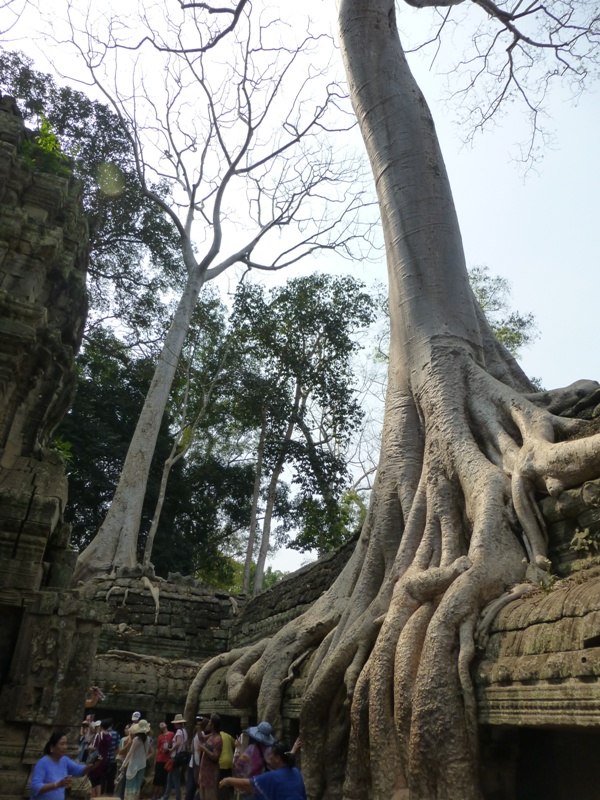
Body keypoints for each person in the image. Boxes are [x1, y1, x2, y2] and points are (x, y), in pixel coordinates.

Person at [220, 741, 306, 800]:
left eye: (272, 753)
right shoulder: (296, 772)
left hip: (256, 783)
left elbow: (247, 784)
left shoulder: (274, 776)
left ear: (277, 758)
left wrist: (228, 780)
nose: (270, 755)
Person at [29, 730, 99, 799]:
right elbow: (35, 787)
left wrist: (91, 766)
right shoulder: (42, 763)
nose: (65, 747)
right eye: (62, 744)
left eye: (66, 744)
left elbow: (79, 770)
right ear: (52, 747)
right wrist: (58, 784)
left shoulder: (64, 760)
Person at [233, 721, 275, 800]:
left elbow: (238, 766)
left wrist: (238, 749)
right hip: (264, 788)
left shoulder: (251, 749)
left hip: (250, 787)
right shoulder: (271, 752)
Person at [122, 719, 152, 800]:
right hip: (142, 764)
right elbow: (149, 752)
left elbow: (130, 753)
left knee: (130, 784)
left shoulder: (136, 739)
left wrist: (124, 764)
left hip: (133, 764)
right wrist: (144, 758)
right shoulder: (148, 739)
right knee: (137, 786)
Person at [162, 713, 188, 800]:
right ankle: (166, 796)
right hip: (180, 756)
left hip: (175, 757)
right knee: (170, 778)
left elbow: (178, 742)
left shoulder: (179, 731)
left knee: (175, 779)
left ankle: (178, 797)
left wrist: (171, 750)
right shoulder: (184, 731)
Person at [197, 714, 223, 800]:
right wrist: (198, 726)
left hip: (211, 773)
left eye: (209, 722)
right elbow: (201, 738)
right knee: (202, 797)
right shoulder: (211, 736)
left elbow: (215, 756)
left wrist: (204, 749)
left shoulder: (218, 739)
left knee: (210, 797)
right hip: (204, 772)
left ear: (213, 725)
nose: (208, 724)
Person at [88, 718, 112, 797]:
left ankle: (92, 796)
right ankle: (98, 796)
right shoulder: (110, 735)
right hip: (104, 759)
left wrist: (89, 746)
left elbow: (94, 747)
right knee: (99, 779)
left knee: (92, 778)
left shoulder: (99, 735)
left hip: (97, 759)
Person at [185, 716, 207, 800]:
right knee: (195, 785)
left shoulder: (196, 735)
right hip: (197, 763)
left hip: (192, 762)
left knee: (190, 786)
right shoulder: (202, 735)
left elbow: (191, 749)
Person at [154, 721, 174, 800]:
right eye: (160, 724)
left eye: (163, 723)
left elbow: (173, 743)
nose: (161, 724)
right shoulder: (160, 736)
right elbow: (157, 748)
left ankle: (161, 794)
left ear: (166, 725)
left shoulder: (171, 734)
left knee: (164, 778)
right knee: (157, 777)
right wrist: (155, 759)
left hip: (167, 759)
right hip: (159, 758)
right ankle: (155, 794)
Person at [217, 728, 235, 800]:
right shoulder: (228, 736)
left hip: (221, 763)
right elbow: (235, 744)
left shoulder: (216, 737)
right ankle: (232, 795)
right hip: (230, 762)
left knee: (220, 782)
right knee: (229, 781)